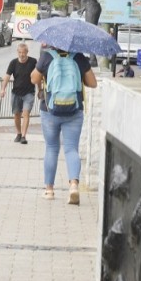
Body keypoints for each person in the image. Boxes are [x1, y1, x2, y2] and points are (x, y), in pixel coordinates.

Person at [30, 48, 97, 205]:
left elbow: (33, 79)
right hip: (74, 110)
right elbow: (92, 83)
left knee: (52, 148)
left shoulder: (46, 57)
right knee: (71, 149)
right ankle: (73, 185)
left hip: (49, 110)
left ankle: (49, 190)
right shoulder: (80, 57)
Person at [0, 43, 38, 145]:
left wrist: (41, 89)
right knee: (17, 114)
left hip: (29, 92)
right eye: (20, 52)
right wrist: (3, 89)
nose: (22, 55)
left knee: (26, 113)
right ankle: (18, 133)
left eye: (24, 53)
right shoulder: (13, 63)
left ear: (27, 52)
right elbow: (7, 76)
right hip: (16, 92)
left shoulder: (33, 62)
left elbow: (38, 76)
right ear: (17, 52)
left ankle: (24, 136)